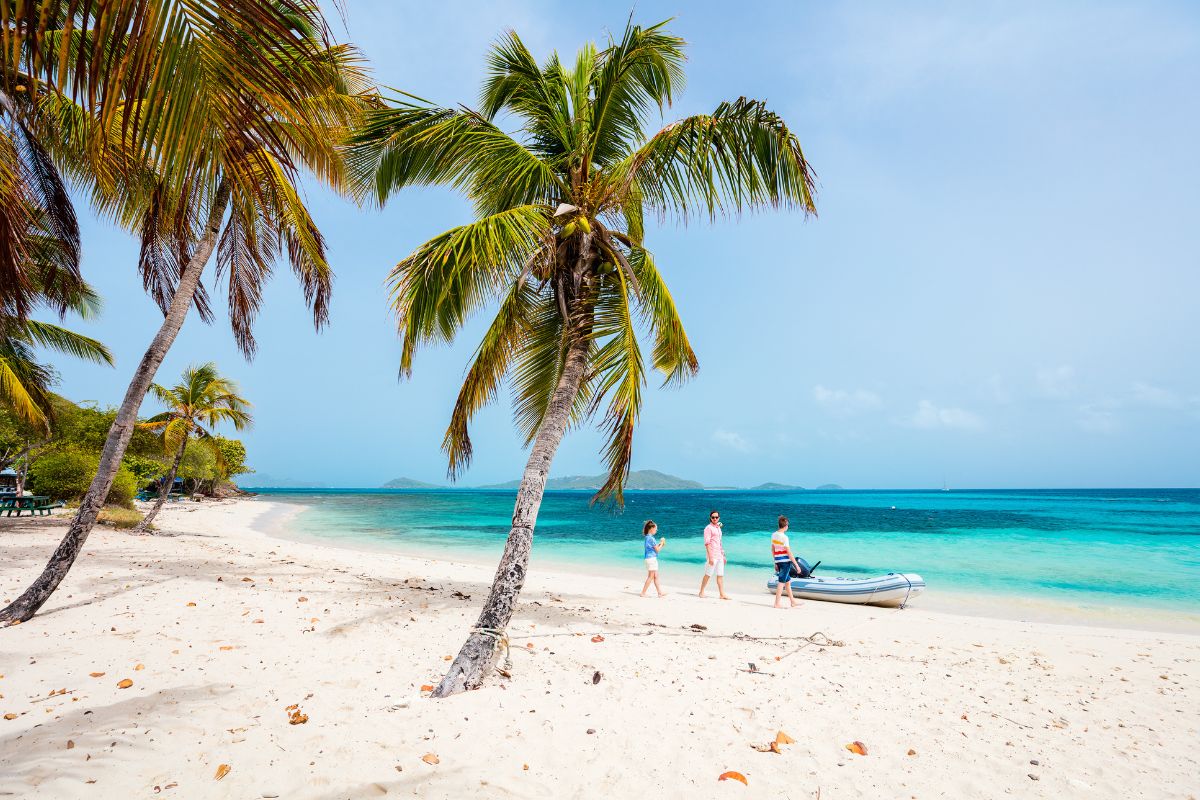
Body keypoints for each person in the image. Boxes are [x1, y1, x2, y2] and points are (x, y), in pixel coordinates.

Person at [698, 510, 730, 600]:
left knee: (720, 575)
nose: (715, 518)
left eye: (716, 517)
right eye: (713, 517)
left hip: (719, 555)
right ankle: (701, 592)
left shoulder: (718, 528)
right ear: (710, 518)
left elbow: (719, 542)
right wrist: (710, 557)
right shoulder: (708, 528)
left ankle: (722, 594)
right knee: (708, 574)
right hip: (712, 555)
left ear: (719, 518)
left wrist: (723, 555)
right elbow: (707, 543)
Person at [771, 515, 802, 609]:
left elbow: (773, 549)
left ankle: (793, 602)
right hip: (785, 562)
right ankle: (777, 604)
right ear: (786, 526)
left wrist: (775, 562)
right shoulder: (784, 537)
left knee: (787, 582)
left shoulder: (774, 534)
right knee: (781, 582)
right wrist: (797, 565)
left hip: (779, 561)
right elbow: (789, 552)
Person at [640, 520, 667, 597]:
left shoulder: (647, 537)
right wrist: (662, 544)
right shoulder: (651, 538)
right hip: (651, 559)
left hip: (649, 558)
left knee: (655, 576)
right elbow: (657, 550)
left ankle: (660, 593)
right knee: (651, 576)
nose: (656, 531)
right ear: (651, 528)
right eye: (655, 529)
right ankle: (643, 593)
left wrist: (659, 544)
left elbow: (653, 548)